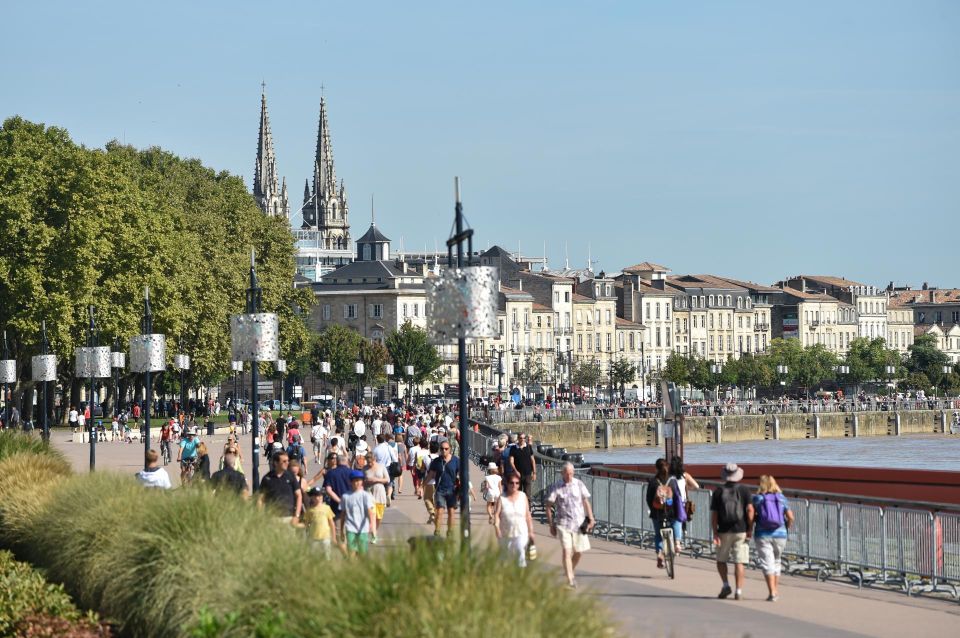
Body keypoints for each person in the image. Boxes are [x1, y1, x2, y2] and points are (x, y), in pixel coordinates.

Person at [546, 462, 595, 588]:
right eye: (567, 473)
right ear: (562, 473)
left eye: (571, 473)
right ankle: (570, 579)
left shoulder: (579, 484)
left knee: (579, 552)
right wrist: (551, 524)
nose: (569, 476)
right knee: (567, 551)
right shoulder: (556, 487)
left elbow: (585, 502)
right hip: (563, 524)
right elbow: (548, 506)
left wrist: (591, 518)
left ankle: (569, 570)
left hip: (579, 523)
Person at [710, 463, 755, 600]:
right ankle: (739, 591)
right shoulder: (744, 490)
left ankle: (725, 585)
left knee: (721, 560)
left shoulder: (718, 491)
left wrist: (715, 533)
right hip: (740, 530)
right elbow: (750, 510)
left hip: (723, 530)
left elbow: (714, 515)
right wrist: (750, 528)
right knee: (739, 561)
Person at [753, 475, 794, 601]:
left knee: (767, 563)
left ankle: (772, 592)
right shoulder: (782, 498)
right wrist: (786, 526)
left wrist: (751, 525)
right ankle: (775, 590)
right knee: (776, 561)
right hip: (781, 534)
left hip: (763, 534)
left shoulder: (758, 499)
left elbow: (751, 513)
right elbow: (791, 517)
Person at [645, 458, 681, 568]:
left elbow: (648, 498)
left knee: (658, 535)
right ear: (667, 467)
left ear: (656, 468)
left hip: (657, 513)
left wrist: (653, 509)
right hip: (671, 512)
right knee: (677, 522)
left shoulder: (653, 481)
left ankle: (660, 554)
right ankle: (677, 543)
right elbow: (677, 497)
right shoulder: (673, 481)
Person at [494, 472, 535, 567]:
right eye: (511, 483)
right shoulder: (502, 498)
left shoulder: (523, 496)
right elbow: (496, 515)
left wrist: (531, 531)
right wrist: (497, 528)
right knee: (505, 558)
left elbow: (527, 515)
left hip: (521, 531)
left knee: (520, 552)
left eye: (517, 483)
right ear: (507, 483)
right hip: (505, 532)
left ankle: (520, 577)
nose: (514, 485)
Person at [425, 438, 460, 537]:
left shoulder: (456, 461)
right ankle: (437, 531)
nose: (444, 450)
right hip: (440, 490)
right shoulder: (436, 461)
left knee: (451, 512)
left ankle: (450, 531)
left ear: (450, 449)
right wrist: (421, 486)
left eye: (446, 449)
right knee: (439, 511)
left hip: (452, 490)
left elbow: (461, 474)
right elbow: (431, 475)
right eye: (442, 449)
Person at [258, 451, 302, 525]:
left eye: (288, 461)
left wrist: (296, 516)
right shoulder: (267, 478)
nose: (287, 463)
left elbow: (299, 495)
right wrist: (261, 516)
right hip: (272, 518)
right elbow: (260, 499)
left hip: (288, 517)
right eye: (284, 461)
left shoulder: (290, 476)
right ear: (276, 463)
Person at [340, 469, 376, 555]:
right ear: (350, 482)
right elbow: (343, 514)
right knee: (351, 552)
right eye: (355, 481)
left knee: (362, 553)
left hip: (363, 529)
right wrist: (342, 529)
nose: (357, 483)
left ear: (362, 482)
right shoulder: (346, 496)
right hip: (350, 528)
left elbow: (370, 512)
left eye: (359, 481)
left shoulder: (366, 496)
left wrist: (372, 527)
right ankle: (352, 567)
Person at [669, 455, 700, 552]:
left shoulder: (669, 477)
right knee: (680, 521)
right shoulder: (685, 475)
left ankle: (674, 542)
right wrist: (687, 488)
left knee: (672, 521)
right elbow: (696, 486)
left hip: (671, 502)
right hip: (682, 502)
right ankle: (679, 542)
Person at [323, 453, 354, 540]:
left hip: (336, 506)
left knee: (338, 531)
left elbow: (328, 490)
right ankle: (352, 550)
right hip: (352, 506)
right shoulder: (352, 473)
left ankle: (342, 549)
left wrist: (340, 501)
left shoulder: (331, 473)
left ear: (338, 461)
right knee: (351, 530)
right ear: (346, 461)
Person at [302, 486, 339, 557]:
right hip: (313, 538)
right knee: (314, 557)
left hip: (325, 537)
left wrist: (334, 537)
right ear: (312, 497)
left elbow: (332, 524)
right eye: (316, 495)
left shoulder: (327, 508)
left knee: (327, 556)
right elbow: (306, 524)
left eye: (320, 495)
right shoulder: (310, 510)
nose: (318, 497)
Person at [364, 451, 390, 543]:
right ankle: (374, 535)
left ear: (374, 460)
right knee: (372, 515)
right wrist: (367, 481)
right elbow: (361, 481)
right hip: (368, 493)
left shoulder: (381, 467)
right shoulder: (365, 468)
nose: (369, 464)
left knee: (379, 517)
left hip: (380, 492)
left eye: (371, 462)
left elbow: (387, 479)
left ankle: (375, 531)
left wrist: (376, 479)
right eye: (368, 462)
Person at [509, 433, 537, 501]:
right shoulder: (513, 448)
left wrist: (534, 473)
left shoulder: (528, 447)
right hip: (517, 474)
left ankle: (527, 510)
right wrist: (516, 471)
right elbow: (511, 461)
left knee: (527, 494)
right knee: (517, 493)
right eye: (521, 438)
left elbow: (532, 460)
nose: (522, 439)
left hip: (527, 474)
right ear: (518, 439)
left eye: (524, 438)